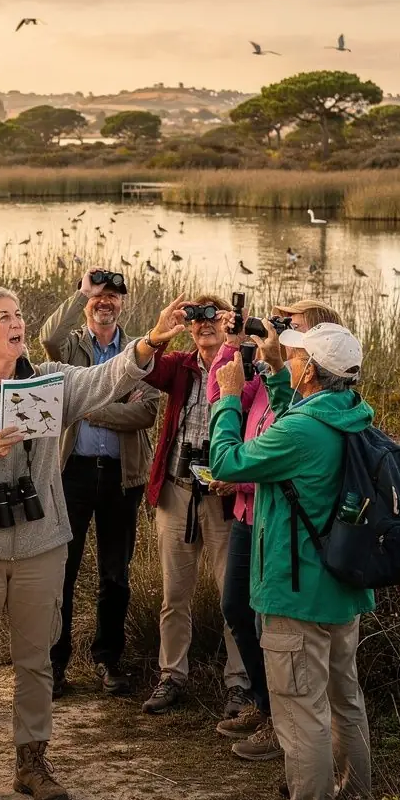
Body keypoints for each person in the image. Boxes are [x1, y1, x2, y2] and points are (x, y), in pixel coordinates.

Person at [0, 279, 156, 800]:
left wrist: (147, 346)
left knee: (36, 661)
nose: (18, 324)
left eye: (20, 315)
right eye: (5, 317)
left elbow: (105, 379)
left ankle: (32, 764)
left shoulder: (50, 381)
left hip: (40, 543)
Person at [210, 323, 373, 800]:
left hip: (295, 589)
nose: (290, 359)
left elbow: (231, 463)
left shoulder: (304, 430)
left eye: (296, 355)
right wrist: (276, 377)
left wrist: (229, 400)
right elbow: (295, 421)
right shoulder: (350, 411)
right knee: (343, 700)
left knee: (302, 714)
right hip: (339, 586)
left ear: (312, 368)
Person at [207, 300, 341, 763]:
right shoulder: (325, 403)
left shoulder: (308, 417)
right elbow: (230, 394)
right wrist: (235, 349)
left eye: (295, 336)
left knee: (295, 673)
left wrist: (229, 402)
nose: (283, 338)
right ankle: (350, 798)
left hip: (287, 541)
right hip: (261, 521)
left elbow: (250, 454)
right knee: (240, 610)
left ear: (315, 357)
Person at [132, 293, 251, 717]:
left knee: (232, 595)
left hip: (223, 494)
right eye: (198, 318)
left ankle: (239, 683)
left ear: (226, 323)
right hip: (179, 490)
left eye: (213, 318)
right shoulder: (181, 367)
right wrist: (162, 330)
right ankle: (172, 675)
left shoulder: (241, 366)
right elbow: (144, 368)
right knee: (174, 595)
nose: (204, 325)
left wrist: (238, 338)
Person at [39, 274, 159, 696]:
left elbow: (145, 414)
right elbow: (47, 335)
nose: (104, 302)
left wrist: (87, 407)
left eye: (112, 296)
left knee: (115, 574)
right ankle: (55, 664)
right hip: (73, 473)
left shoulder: (141, 351)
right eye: (98, 296)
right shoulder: (71, 347)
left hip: (122, 477)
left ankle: (108, 661)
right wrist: (80, 292)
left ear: (123, 304)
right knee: (62, 571)